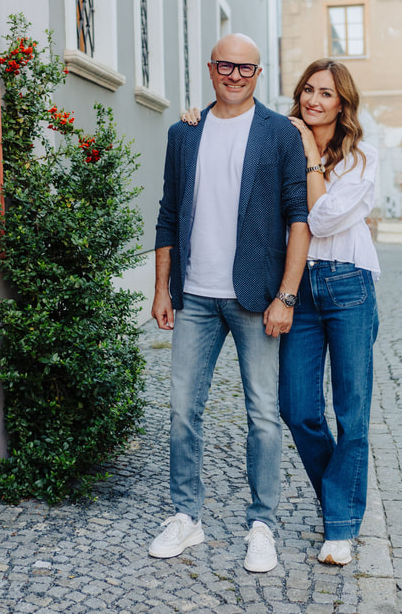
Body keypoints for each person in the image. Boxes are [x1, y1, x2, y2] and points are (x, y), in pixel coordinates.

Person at [149, 33, 309, 572]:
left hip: (255, 298)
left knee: (263, 414)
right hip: (194, 295)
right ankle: (186, 517)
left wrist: (286, 296)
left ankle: (262, 523)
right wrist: (161, 288)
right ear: (212, 68)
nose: (234, 75)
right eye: (225, 65)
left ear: (258, 74)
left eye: (245, 68)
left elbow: (298, 217)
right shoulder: (183, 133)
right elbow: (168, 213)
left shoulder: (279, 133)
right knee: (182, 410)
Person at [279, 58, 380, 566]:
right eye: (307, 91)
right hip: (298, 287)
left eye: (325, 94)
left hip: (347, 285)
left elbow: (321, 218)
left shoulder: (361, 158)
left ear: (342, 104)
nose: (313, 101)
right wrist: (197, 117)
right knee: (297, 408)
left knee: (352, 412)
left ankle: (339, 526)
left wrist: (310, 157)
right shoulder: (281, 142)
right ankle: (339, 502)